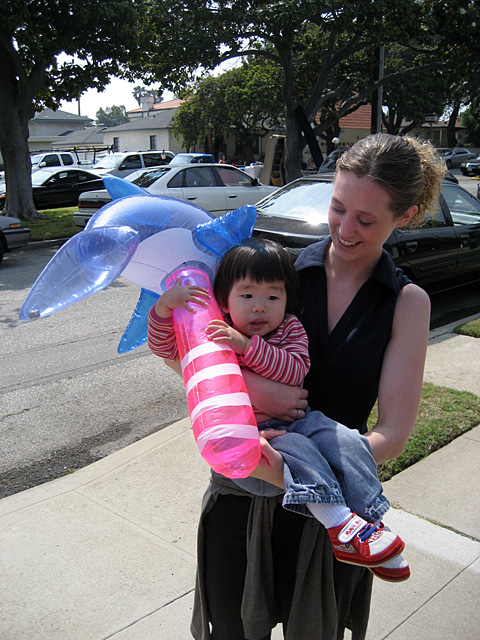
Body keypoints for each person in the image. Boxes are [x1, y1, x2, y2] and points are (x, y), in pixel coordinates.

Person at [169, 133, 445, 639]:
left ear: (402, 216)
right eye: (338, 208)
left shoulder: (406, 303)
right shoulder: (279, 271)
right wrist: (255, 393)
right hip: (240, 497)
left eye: (366, 219)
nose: (345, 228)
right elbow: (197, 354)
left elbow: (393, 437)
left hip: (332, 523)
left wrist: (294, 476)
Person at [148, 236, 409, 578]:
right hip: (253, 437)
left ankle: (372, 522)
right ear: (224, 300)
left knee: (346, 440)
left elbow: (295, 369)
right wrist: (163, 309)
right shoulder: (212, 330)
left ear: (287, 299)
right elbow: (167, 349)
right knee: (302, 452)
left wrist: (246, 346)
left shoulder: (289, 328)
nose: (260, 306)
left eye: (273, 296)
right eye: (247, 295)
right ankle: (340, 523)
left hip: (301, 419)